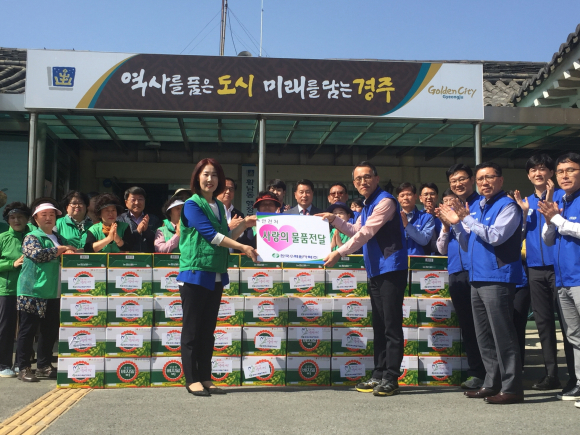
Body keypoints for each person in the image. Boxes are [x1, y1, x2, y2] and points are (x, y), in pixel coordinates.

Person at [318, 161, 408, 397]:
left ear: (376, 178)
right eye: (358, 179)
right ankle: (378, 374)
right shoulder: (367, 205)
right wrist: (334, 219)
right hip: (376, 270)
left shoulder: (386, 201)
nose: (363, 182)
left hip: (391, 269)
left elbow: (367, 232)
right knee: (379, 325)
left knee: (391, 325)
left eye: (367, 177)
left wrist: (339, 252)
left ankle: (391, 377)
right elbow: (355, 229)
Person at [439, 162, 524, 404]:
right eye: (480, 179)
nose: (484, 182)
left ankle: (512, 388)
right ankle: (491, 382)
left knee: (502, 335)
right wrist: (456, 224)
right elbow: (467, 243)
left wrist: (466, 218)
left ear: (501, 179)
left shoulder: (508, 205)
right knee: (483, 336)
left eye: (489, 177)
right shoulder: (477, 206)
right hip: (476, 277)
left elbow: (496, 236)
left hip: (497, 277)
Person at [178, 158, 257, 396]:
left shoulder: (219, 207)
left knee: (207, 331)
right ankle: (191, 379)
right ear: (197, 177)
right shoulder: (192, 204)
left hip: (215, 274)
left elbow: (226, 236)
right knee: (192, 330)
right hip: (195, 273)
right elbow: (212, 236)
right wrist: (242, 247)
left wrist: (245, 225)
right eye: (205, 174)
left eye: (214, 175)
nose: (210, 179)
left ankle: (205, 377)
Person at [514, 153, 575, 392]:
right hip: (534, 269)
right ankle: (551, 375)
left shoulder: (562, 197)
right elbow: (518, 236)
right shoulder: (525, 202)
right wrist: (522, 214)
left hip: (559, 267)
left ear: (551, 173)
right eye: (533, 170)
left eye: (542, 169)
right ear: (528, 175)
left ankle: (574, 375)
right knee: (543, 322)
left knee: (569, 323)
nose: (538, 173)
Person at [16, 198, 77, 382]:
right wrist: (62, 249)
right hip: (32, 291)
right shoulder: (31, 237)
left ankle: (43, 365)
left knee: (49, 330)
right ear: (35, 218)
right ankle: (23, 368)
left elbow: (67, 252)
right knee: (28, 331)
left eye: (52, 215)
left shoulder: (58, 238)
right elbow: (37, 254)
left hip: (54, 291)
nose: (49, 218)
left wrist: (70, 251)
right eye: (44, 215)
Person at [436, 165, 485, 390]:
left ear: (472, 179)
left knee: (484, 324)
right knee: (467, 324)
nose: (458, 184)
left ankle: (493, 372)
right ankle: (476, 371)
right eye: (453, 181)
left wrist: (458, 221)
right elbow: (442, 249)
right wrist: (447, 225)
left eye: (462, 179)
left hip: (479, 271)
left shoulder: (481, 204)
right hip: (456, 271)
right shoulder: (450, 209)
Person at [540, 152, 580, 404]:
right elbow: (548, 239)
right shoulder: (561, 201)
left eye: (571, 170)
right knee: (574, 336)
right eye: (561, 172)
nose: (565, 176)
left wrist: (556, 218)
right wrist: (549, 221)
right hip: (564, 279)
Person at [0, 202, 31, 378]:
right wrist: (12, 264)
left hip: (29, 289)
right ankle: (3, 364)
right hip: (7, 289)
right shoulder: (2, 238)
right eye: (12, 217)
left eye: (20, 217)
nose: (16, 220)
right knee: (6, 328)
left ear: (27, 219)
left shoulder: (33, 236)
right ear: (8, 220)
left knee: (26, 328)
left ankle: (21, 363)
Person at [117, 186, 162, 253]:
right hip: (128, 258)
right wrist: (137, 231)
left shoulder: (153, 219)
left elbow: (158, 243)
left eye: (140, 199)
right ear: (126, 203)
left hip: (148, 258)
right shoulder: (120, 220)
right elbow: (120, 243)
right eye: (133, 200)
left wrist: (146, 231)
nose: (137, 203)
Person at [396, 182, 435, 255]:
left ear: (415, 196)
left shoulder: (427, 217)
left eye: (409, 194)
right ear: (398, 199)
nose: (405, 198)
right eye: (402, 195)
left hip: (417, 260)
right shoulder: (393, 217)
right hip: (398, 259)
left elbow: (424, 240)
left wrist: (407, 225)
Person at [419, 183, 442, 255]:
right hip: (422, 256)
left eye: (432, 194)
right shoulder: (417, 217)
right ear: (420, 198)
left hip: (442, 256)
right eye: (425, 194)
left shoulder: (444, 215)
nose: (429, 197)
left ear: (437, 197)